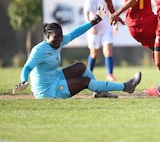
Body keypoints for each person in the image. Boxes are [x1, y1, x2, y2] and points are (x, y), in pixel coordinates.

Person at [12, 6, 142, 99]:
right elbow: (27, 67)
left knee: (81, 67)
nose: (59, 40)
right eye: (55, 37)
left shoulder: (60, 41)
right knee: (85, 81)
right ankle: (126, 86)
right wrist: (23, 81)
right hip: (47, 91)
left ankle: (100, 92)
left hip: (55, 78)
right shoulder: (39, 50)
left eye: (61, 36)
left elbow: (75, 33)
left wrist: (95, 21)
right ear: (47, 37)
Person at [84, 0, 116, 81]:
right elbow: (86, 13)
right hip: (94, 29)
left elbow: (112, 12)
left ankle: (110, 74)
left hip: (106, 28)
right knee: (94, 53)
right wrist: (90, 26)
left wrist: (115, 25)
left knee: (108, 50)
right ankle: (89, 74)